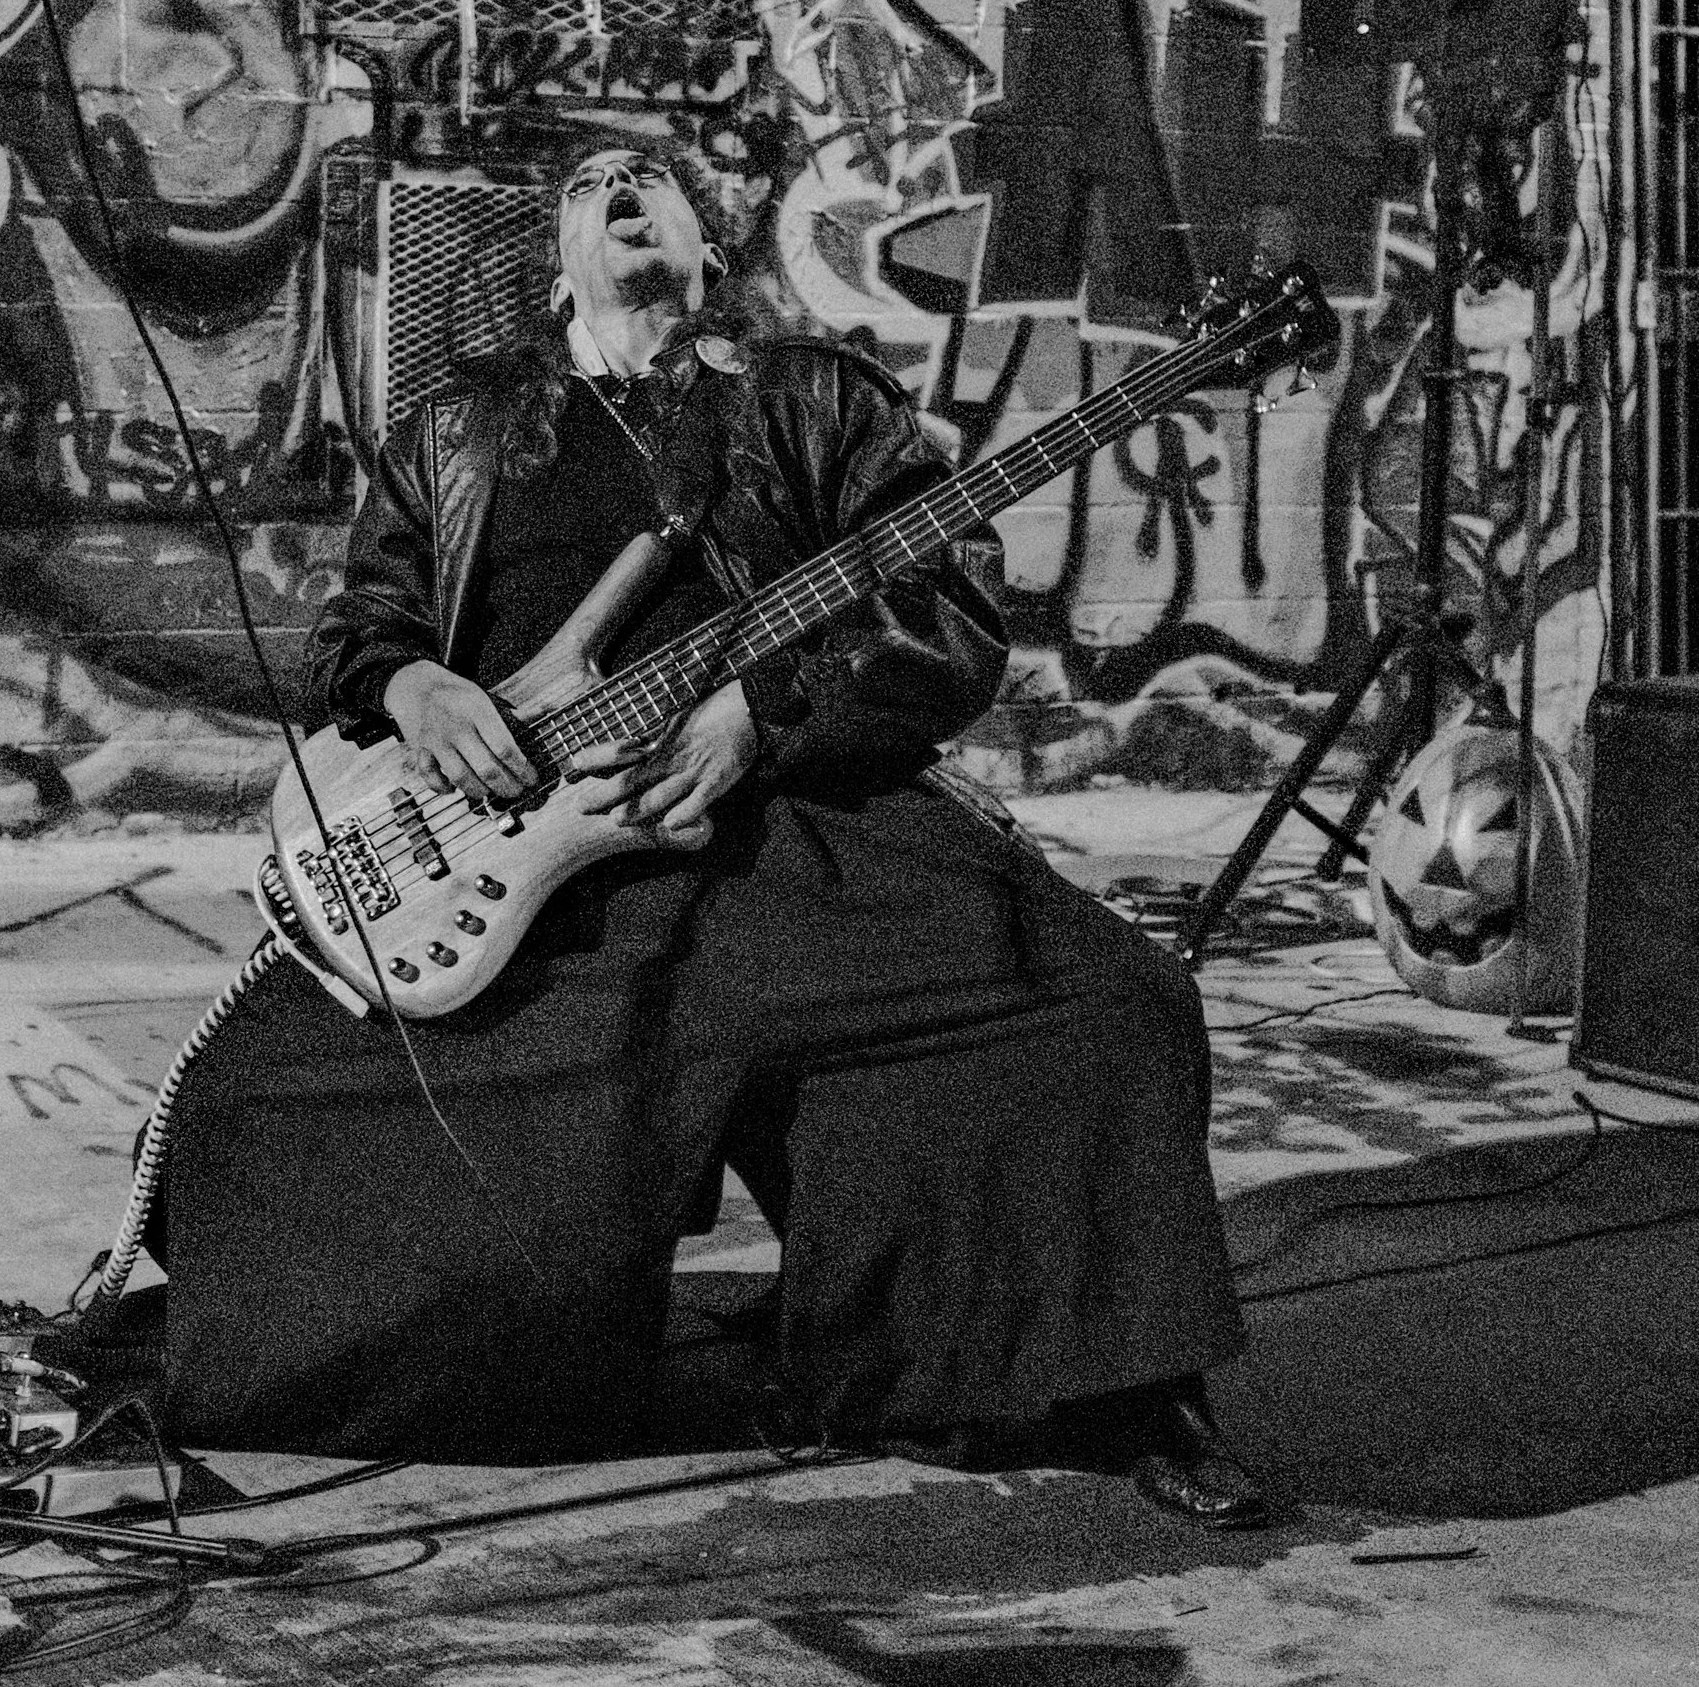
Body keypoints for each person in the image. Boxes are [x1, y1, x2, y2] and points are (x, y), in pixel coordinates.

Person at [149, 145, 1266, 1529]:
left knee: (1106, 997)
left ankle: (1131, 1391)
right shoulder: (456, 429)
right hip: (538, 866)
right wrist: (415, 687)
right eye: (590, 187)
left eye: (652, 180)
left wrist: (763, 712)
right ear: (554, 264)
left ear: (709, 247)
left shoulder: (811, 398)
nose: (622, 190)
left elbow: (948, 604)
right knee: (257, 1094)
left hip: (808, 824)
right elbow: (361, 626)